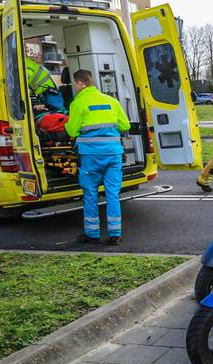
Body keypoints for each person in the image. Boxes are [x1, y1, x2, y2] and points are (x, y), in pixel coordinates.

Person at [65, 70, 130, 245]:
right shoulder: (111, 101)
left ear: (80, 83)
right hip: (113, 155)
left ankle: (92, 234)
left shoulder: (78, 103)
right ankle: (115, 234)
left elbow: (71, 130)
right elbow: (125, 124)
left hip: (91, 157)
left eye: (75, 84)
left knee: (91, 194)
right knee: (112, 194)